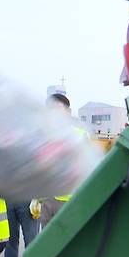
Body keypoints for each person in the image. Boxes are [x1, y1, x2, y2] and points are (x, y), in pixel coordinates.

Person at [37, 93, 90, 227]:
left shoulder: (80, 135)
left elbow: (88, 168)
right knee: (46, 242)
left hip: (70, 200)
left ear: (68, 112)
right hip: (47, 199)